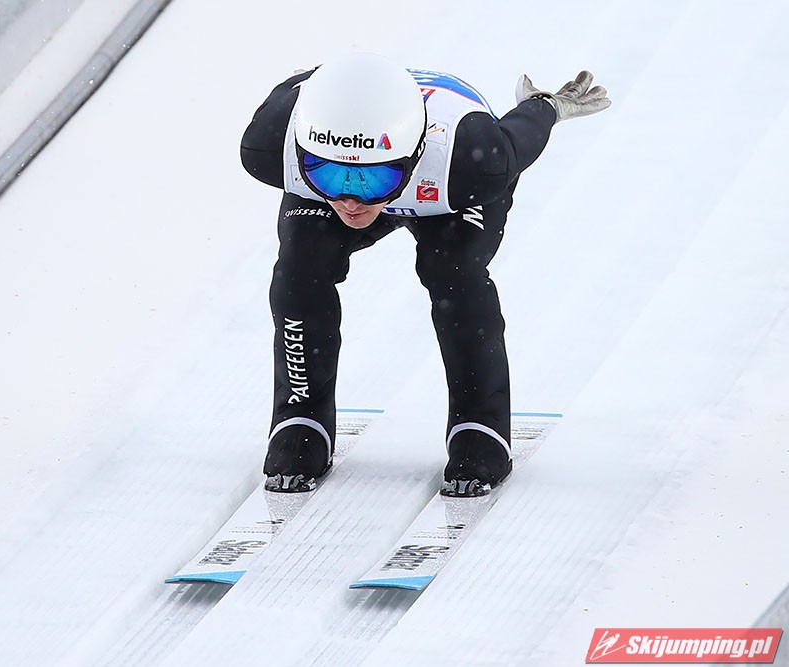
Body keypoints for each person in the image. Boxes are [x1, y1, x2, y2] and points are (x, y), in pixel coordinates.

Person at [240, 52, 609, 496]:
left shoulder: (472, 158)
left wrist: (544, 106)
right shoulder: (270, 141)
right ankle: (301, 415)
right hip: (391, 164)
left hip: (448, 195)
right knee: (299, 267)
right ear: (303, 150)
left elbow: (520, 138)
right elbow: (304, 88)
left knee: (453, 271)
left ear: (416, 156)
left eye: (375, 181)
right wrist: (329, 79)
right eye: (330, 174)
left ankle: (480, 423)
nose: (351, 202)